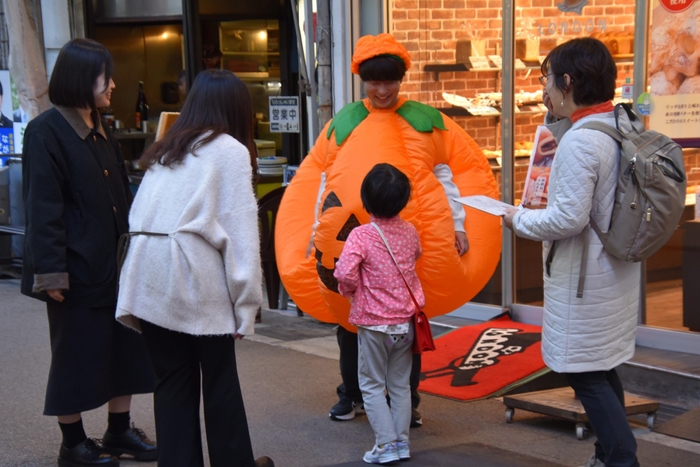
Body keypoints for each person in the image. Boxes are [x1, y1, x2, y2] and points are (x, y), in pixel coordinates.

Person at [275, 33, 501, 427]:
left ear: (401, 79)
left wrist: (459, 227)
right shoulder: (344, 123)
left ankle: (407, 401)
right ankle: (352, 394)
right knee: (350, 323)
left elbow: (446, 177)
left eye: (390, 81)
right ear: (363, 79)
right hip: (352, 240)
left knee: (405, 329)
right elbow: (323, 181)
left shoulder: (425, 123)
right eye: (374, 82)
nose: (382, 90)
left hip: (405, 243)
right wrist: (318, 232)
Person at [115, 69, 274, 467]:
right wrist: (246, 305)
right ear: (238, 109)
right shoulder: (231, 151)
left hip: (146, 274)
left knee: (171, 382)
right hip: (194, 275)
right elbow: (239, 237)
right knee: (220, 381)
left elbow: (138, 215)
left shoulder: (166, 148)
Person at [503, 37, 641, 467]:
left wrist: (515, 219)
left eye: (547, 79)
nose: (543, 87)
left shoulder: (582, 142)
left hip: (584, 278)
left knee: (584, 373)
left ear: (566, 80)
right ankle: (606, 454)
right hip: (612, 270)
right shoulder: (621, 123)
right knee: (599, 366)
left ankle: (621, 459)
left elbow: (567, 220)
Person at [21, 38, 156, 466]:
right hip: (73, 269)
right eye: (106, 76)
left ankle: (118, 432)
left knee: (124, 348)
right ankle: (73, 444)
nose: (113, 84)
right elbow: (42, 207)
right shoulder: (45, 131)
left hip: (113, 264)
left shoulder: (100, 127)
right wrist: (51, 274)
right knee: (75, 356)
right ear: (82, 78)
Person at [335, 163, 423, 464]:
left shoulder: (361, 235)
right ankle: (401, 444)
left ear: (366, 199)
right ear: (403, 200)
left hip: (375, 325)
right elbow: (416, 257)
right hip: (405, 323)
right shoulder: (410, 231)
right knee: (400, 385)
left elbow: (344, 272)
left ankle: (385, 445)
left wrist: (351, 291)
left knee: (371, 385)